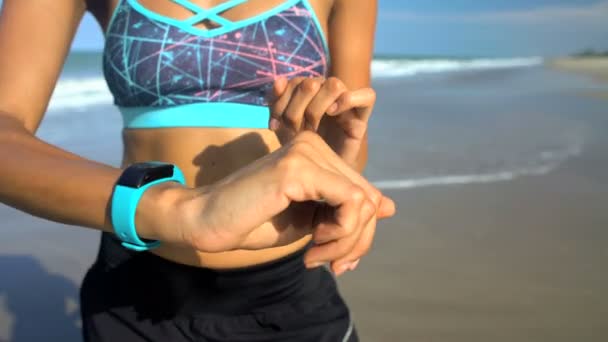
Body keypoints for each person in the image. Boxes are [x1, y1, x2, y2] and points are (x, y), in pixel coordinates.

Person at [0, 0, 389, 341]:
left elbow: (348, 146)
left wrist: (337, 155)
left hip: (290, 293)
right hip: (133, 290)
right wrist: (180, 210)